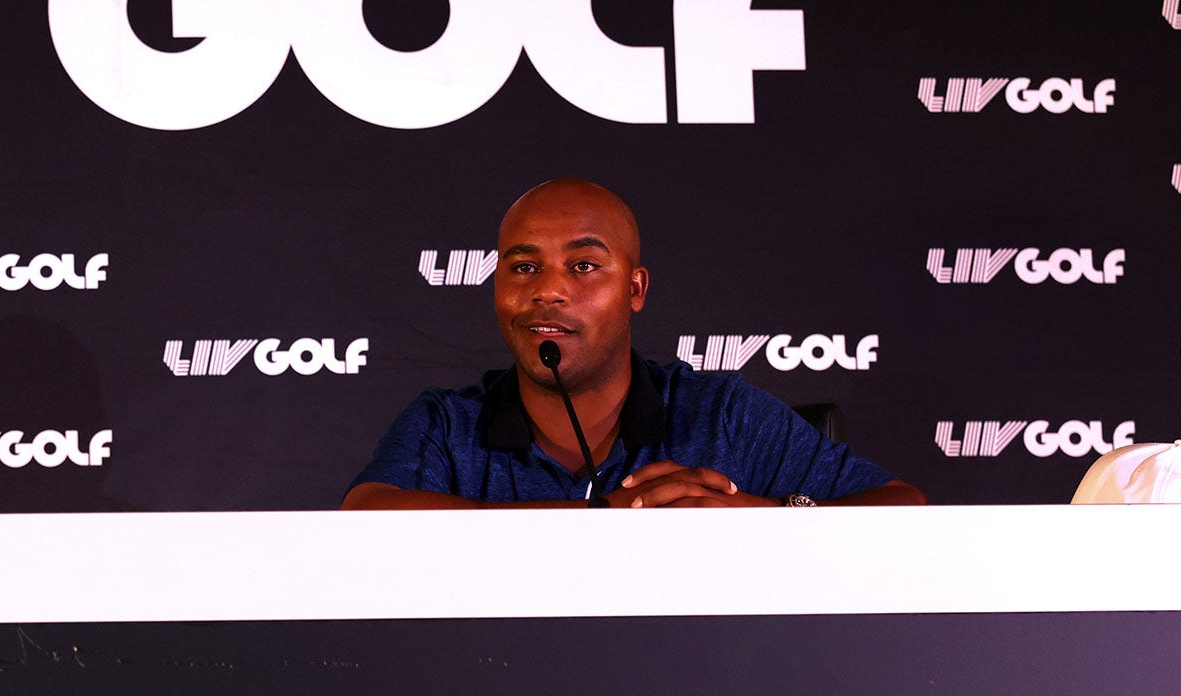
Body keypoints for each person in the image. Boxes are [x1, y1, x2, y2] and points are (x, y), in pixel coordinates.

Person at [341, 179, 925, 509]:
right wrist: (598, 519)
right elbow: (366, 515)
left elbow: (902, 507)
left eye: (583, 266)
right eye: (523, 268)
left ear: (635, 289)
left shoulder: (718, 413)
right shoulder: (448, 424)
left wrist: (760, 513)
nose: (547, 291)